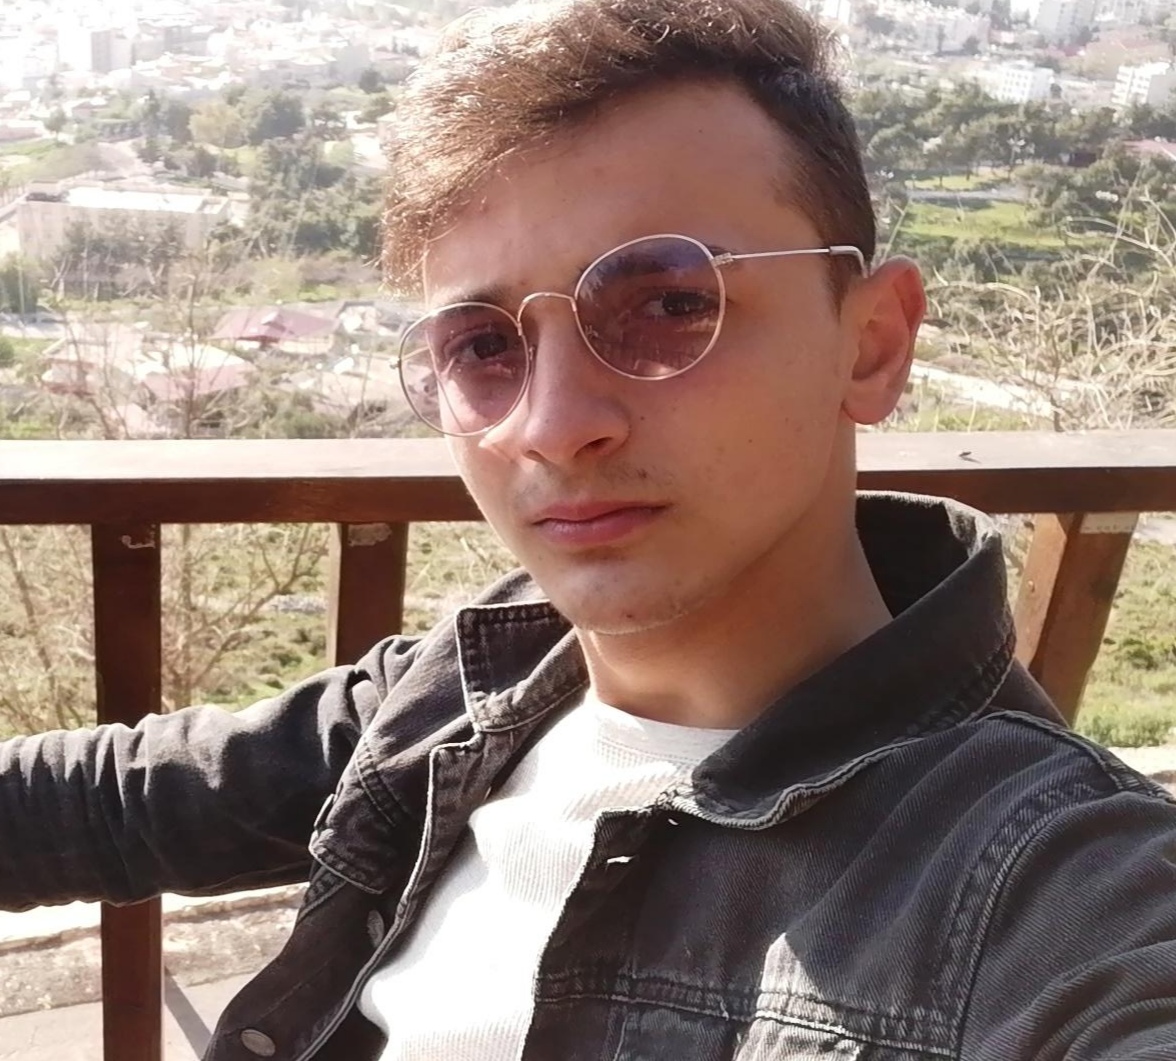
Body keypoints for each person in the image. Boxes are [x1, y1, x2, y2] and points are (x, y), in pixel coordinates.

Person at [4, 1, 1176, 1058]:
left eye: (669, 304)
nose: (555, 425)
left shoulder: (1053, 889)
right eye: (483, 345)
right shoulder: (454, 700)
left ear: (869, 344)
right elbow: (100, 803)